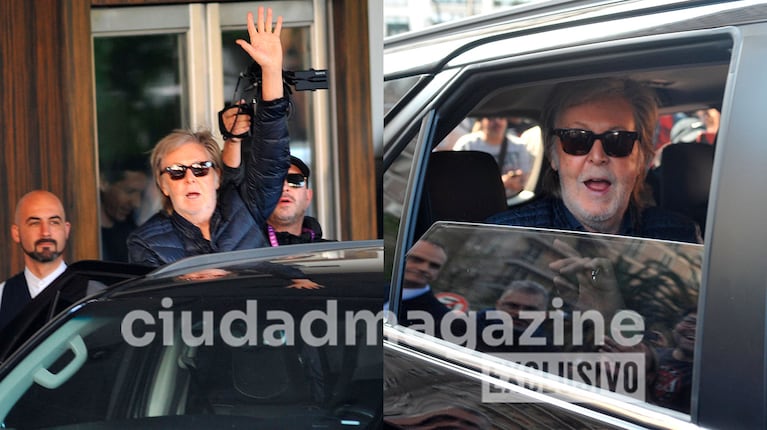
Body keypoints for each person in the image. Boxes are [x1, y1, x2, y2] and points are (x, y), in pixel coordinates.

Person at [127, 7, 290, 266]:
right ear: (163, 185)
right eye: (177, 172)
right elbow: (156, 306)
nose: (190, 178)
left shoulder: (245, 207)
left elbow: (272, 156)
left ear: (217, 176)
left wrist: (271, 70)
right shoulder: (146, 242)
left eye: (201, 169)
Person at [487, 78, 701, 244]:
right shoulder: (505, 237)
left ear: (642, 157)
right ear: (553, 155)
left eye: (618, 140)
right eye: (576, 139)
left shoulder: (678, 237)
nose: (597, 157)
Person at [0, 191, 71, 331]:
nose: (45, 232)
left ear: (66, 230)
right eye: (35, 223)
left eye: (54, 222)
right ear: (16, 233)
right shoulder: (2, 295)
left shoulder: (92, 292)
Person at [453, 116, 534, 197]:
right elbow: (458, 181)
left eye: (501, 117)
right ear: (481, 121)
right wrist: (501, 183)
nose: (497, 122)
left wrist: (517, 184)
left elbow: (528, 182)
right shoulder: (467, 145)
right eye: (491, 118)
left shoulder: (519, 146)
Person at [476, 280, 551, 352]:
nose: (519, 313)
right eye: (512, 306)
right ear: (498, 305)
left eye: (530, 309)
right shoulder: (467, 328)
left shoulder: (547, 352)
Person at [100, 160, 149, 262]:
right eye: (129, 192)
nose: (136, 203)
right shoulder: (85, 235)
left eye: (141, 194)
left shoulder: (134, 235)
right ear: (104, 183)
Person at [649, 309, 696, 413]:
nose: (695, 329)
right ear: (675, 327)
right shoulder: (654, 355)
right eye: (690, 322)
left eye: (704, 325)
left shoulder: (705, 379)